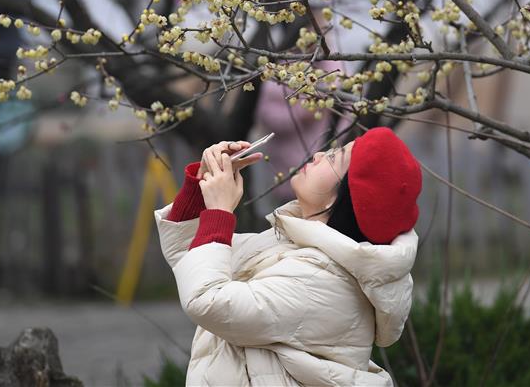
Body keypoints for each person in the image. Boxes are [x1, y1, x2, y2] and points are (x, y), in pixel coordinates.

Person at [154, 127, 422, 385]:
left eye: (332, 158)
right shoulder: (294, 244)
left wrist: (220, 212)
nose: (318, 155)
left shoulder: (321, 281)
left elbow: (206, 300)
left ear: (342, 199)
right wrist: (201, 187)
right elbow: (192, 258)